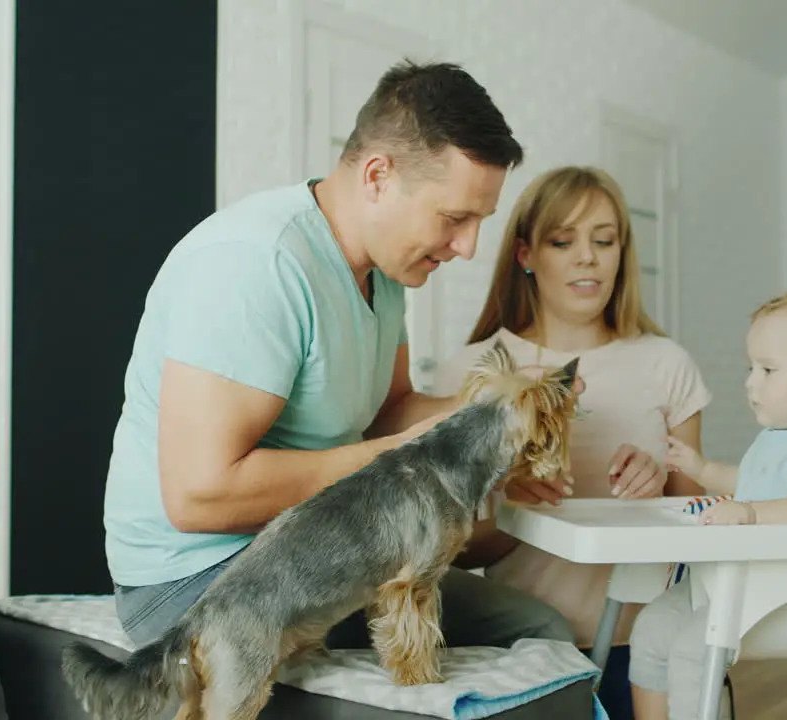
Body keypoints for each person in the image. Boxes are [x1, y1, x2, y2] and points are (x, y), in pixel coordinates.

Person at [101, 60, 579, 652]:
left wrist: (497, 422)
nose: (468, 246)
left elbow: (391, 409)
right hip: (195, 583)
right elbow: (200, 495)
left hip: (319, 545)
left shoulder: (387, 273)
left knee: (540, 632)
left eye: (479, 221)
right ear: (378, 175)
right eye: (455, 219)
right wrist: (414, 450)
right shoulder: (256, 265)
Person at [432, 166, 724, 719]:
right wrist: (511, 499)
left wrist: (659, 482)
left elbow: (705, 526)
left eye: (604, 240)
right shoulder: (471, 374)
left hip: (641, 652)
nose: (587, 257)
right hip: (519, 652)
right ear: (525, 254)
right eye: (563, 241)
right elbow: (450, 551)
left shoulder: (666, 364)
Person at [628, 285, 787, 720]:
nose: (750, 381)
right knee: (648, 631)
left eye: (768, 369)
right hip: (727, 582)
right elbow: (753, 484)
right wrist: (704, 471)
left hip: (783, 592)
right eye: (751, 367)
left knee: (692, 651)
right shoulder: (779, 439)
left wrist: (752, 514)